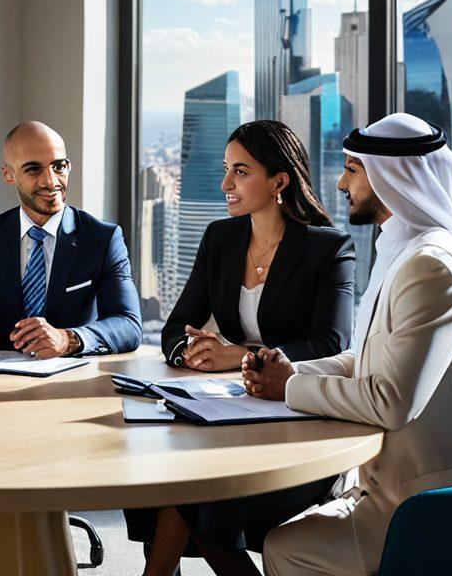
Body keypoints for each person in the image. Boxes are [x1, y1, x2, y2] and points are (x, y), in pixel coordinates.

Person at [248, 113, 452, 576]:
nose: (341, 182)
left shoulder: (432, 268)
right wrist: (287, 371)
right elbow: (367, 359)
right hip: (398, 485)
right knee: (281, 535)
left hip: (447, 499)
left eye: (352, 170)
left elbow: (393, 401)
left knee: (287, 547)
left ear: (391, 177)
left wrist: (287, 387)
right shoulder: (403, 249)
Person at [130, 120, 356, 576]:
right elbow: (177, 327)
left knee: (192, 497)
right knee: (167, 482)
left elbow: (331, 342)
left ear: (279, 181)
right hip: (229, 412)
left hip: (300, 419)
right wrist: (192, 354)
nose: (225, 184)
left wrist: (242, 356)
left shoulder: (328, 249)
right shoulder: (221, 238)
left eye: (240, 171)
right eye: (226, 170)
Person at [0, 121, 142, 360]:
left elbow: (128, 324)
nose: (51, 181)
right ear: (9, 175)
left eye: (59, 166)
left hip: (73, 384)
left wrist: (68, 339)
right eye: (33, 169)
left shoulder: (103, 239)